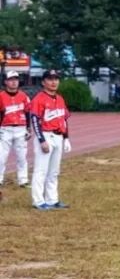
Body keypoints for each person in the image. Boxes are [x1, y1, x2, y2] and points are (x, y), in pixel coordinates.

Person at [28, 69, 71, 210]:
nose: (54, 82)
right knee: (41, 170)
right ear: (43, 82)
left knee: (54, 171)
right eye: (50, 79)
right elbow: (35, 120)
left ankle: (52, 199)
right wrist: (41, 140)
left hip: (58, 136)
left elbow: (64, 119)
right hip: (46, 135)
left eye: (56, 79)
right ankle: (38, 201)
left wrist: (66, 138)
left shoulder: (60, 98)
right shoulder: (39, 98)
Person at [0, 70, 31, 188]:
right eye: (11, 79)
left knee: (22, 157)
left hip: (21, 129)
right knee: (1, 157)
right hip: (5, 129)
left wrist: (29, 128)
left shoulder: (24, 96)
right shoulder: (1, 96)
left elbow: (27, 112)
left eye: (16, 79)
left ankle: (23, 180)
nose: (14, 82)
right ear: (5, 82)